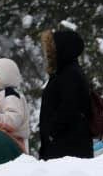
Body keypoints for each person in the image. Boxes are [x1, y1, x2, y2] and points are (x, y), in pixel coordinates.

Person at [37, 29, 94, 160]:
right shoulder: (64, 72)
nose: (48, 53)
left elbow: (69, 108)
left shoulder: (70, 74)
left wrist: (52, 132)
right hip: (63, 147)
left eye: (51, 49)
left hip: (67, 149)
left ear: (62, 49)